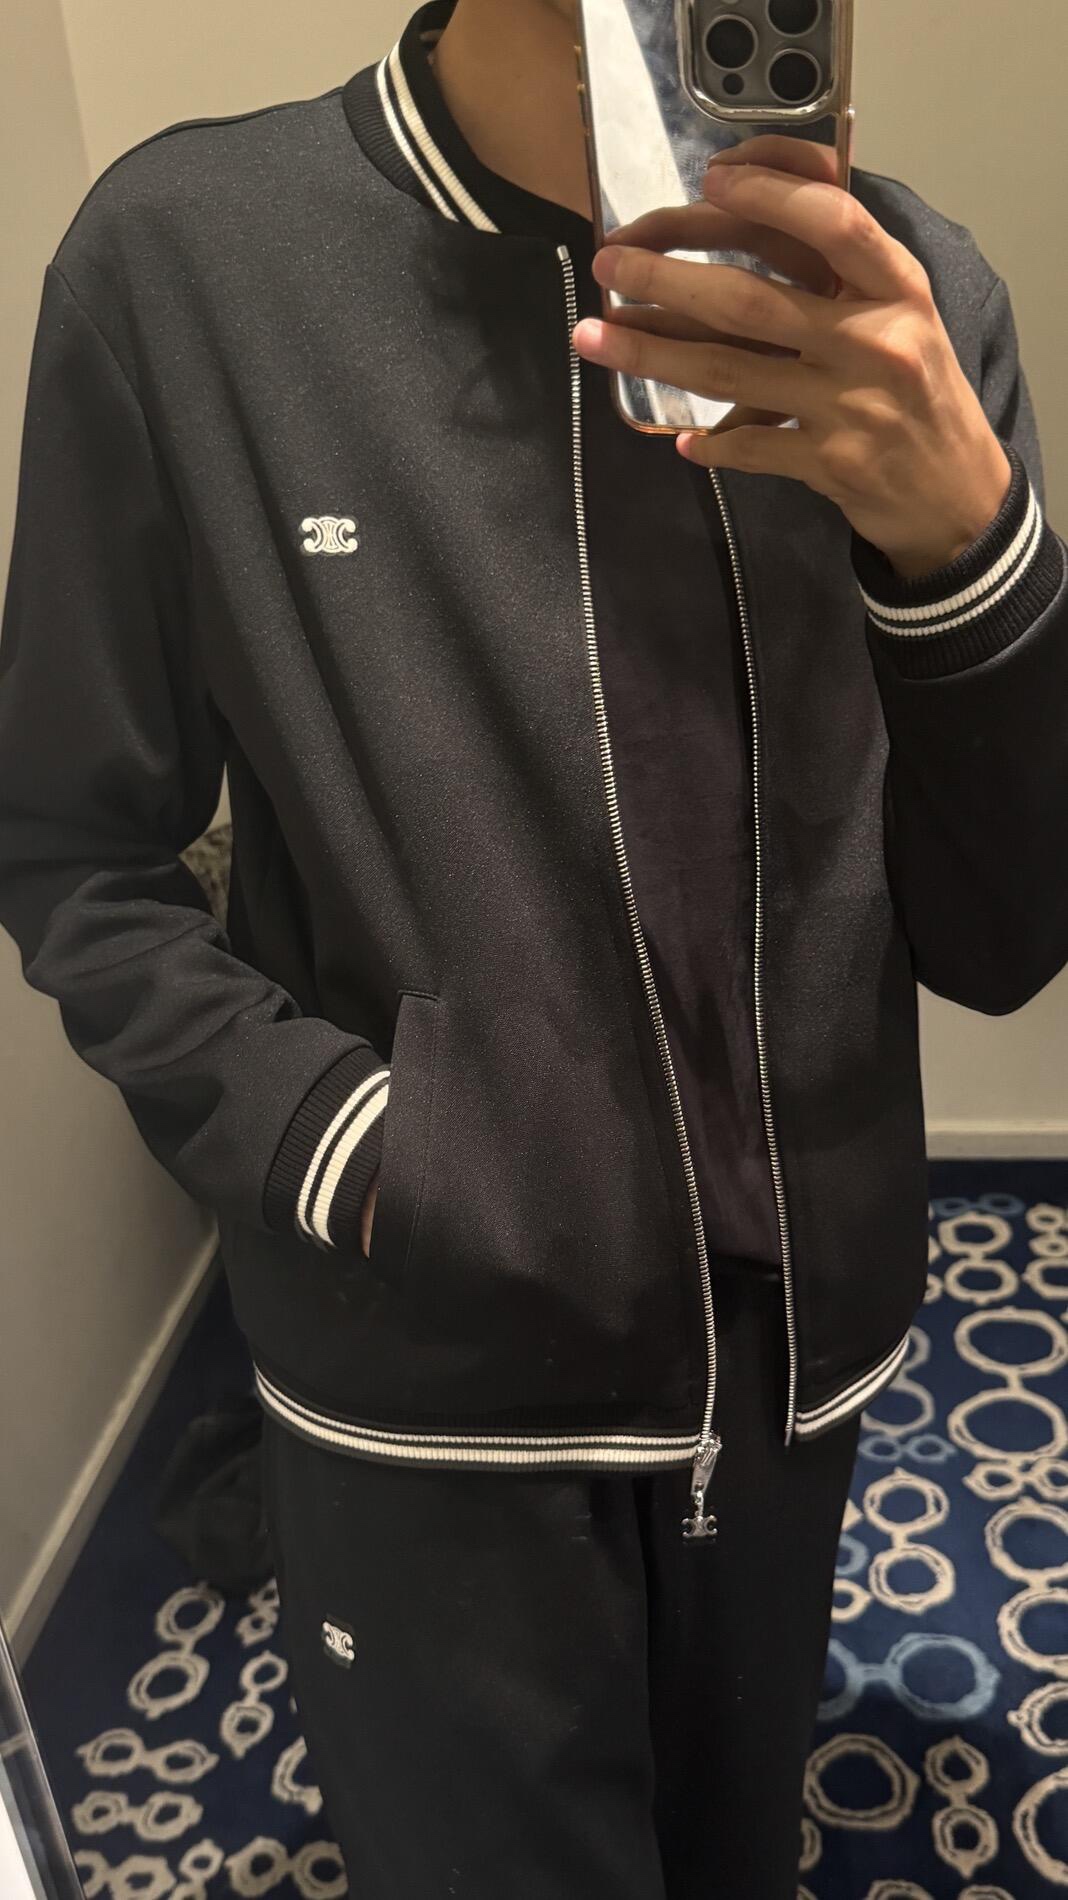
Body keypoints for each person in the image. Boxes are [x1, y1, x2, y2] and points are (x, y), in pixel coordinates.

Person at [1, 0, 1065, 1893]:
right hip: (426, 1390)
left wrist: (966, 549)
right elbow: (72, 845)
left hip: (789, 1373)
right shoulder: (189, 271)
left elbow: (1004, 941)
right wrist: (351, 1147)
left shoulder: (918, 311)